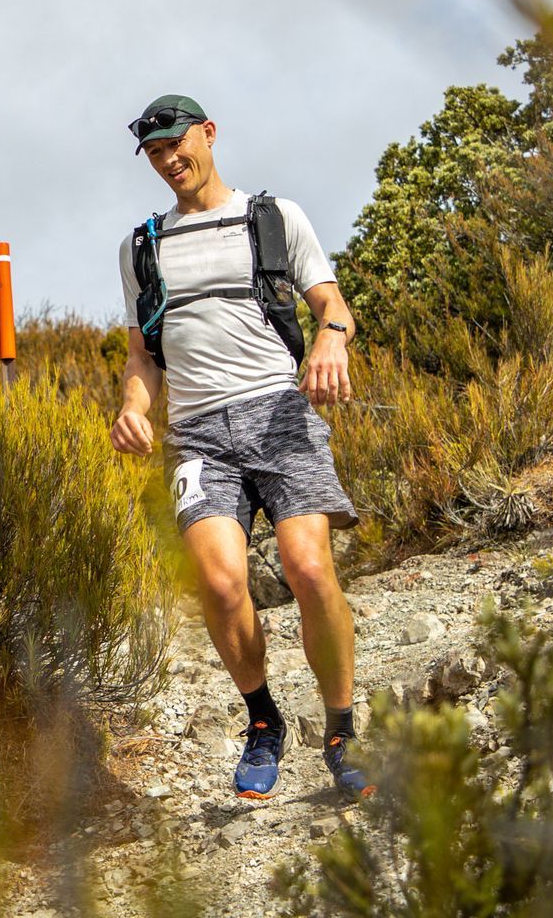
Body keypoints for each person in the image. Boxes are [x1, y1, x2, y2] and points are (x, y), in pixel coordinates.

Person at [110, 94, 371, 800]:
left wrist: (330, 340)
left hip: (278, 415)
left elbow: (332, 305)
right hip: (197, 435)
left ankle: (341, 732)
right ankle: (263, 723)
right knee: (222, 586)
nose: (169, 159)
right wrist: (133, 408)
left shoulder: (273, 217)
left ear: (208, 133)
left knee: (308, 567)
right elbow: (142, 359)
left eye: (177, 143)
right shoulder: (142, 248)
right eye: (155, 152)